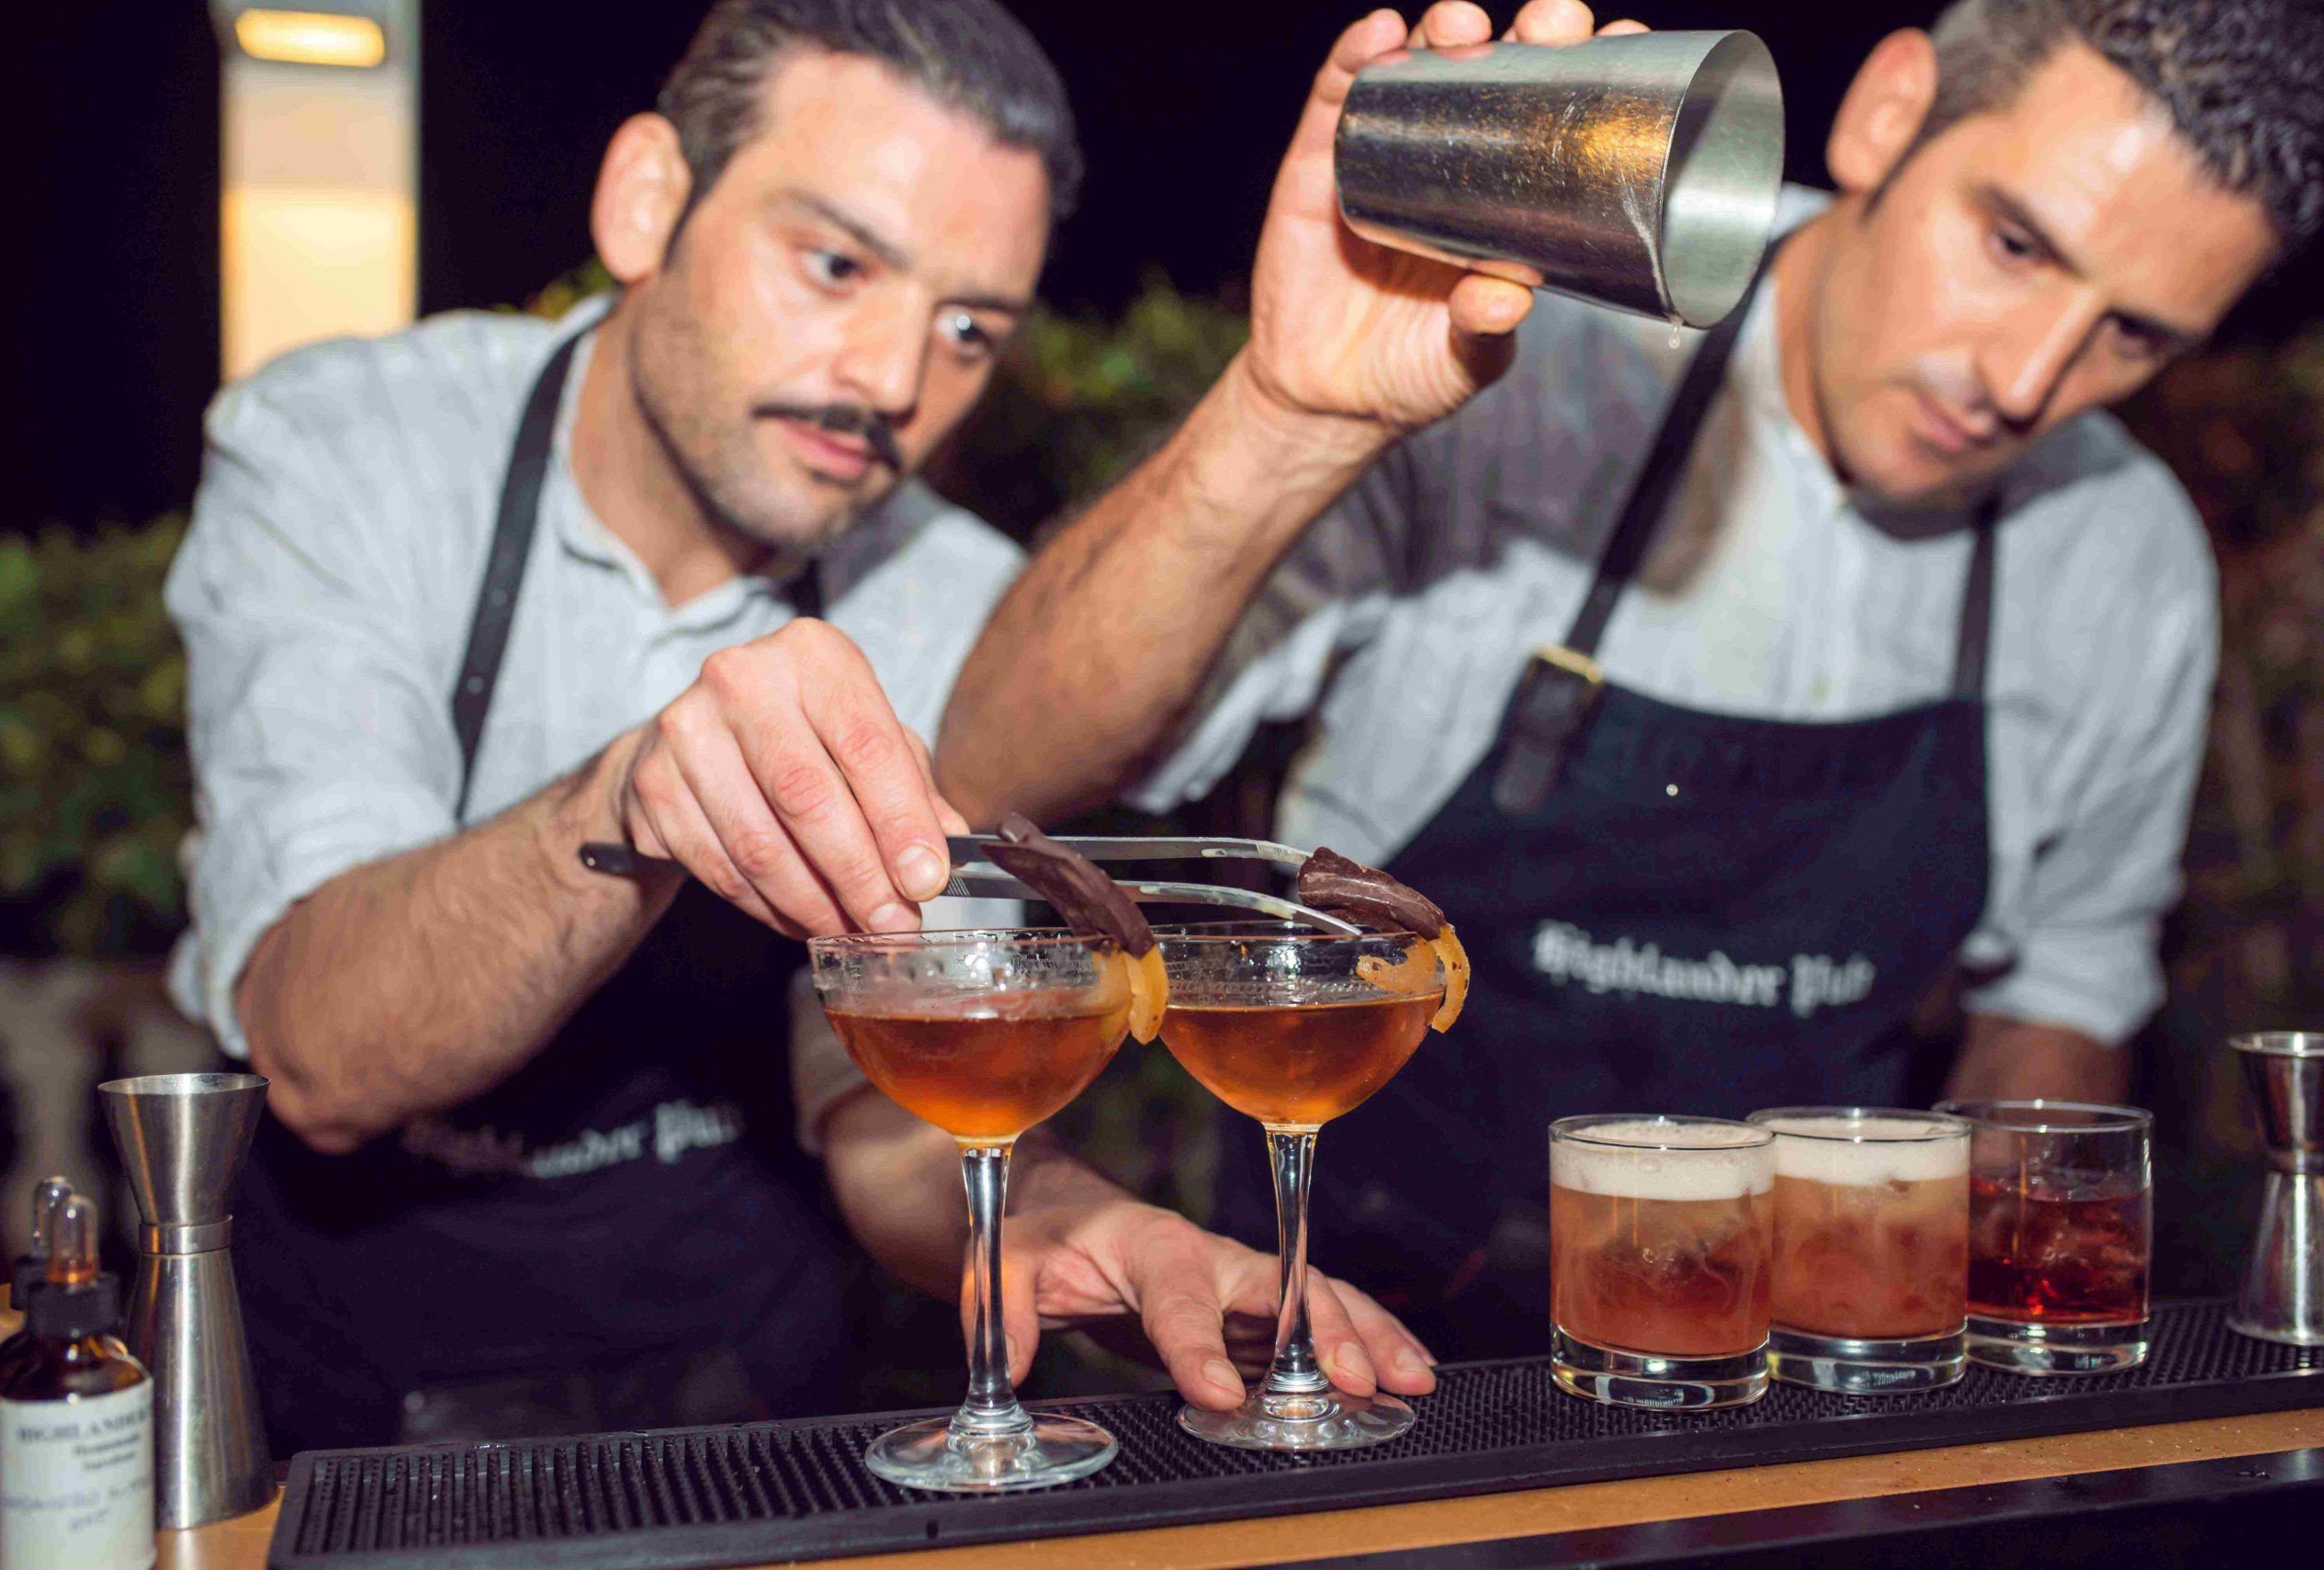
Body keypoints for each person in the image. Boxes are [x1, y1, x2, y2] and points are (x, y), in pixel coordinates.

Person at [940, 0, 2322, 1350]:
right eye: (2014, 242)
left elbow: (2058, 1009)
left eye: (2133, 335)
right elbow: (996, 769)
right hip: (1366, 1337)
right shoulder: (1525, 363)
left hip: (1795, 1369)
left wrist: (1981, 1369)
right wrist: (1282, 417)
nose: (2026, 380)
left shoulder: (2120, 552)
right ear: (1888, 112)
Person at [167, 0, 1430, 1453]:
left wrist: (1087, 1228)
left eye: (969, 328)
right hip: (343, 1427)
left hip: (749, 1413)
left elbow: (887, 1105)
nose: (895, 380)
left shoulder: (939, 593)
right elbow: (320, 1053)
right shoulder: (352, 448)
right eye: (835, 263)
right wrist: (629, 798)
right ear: (648, 201)